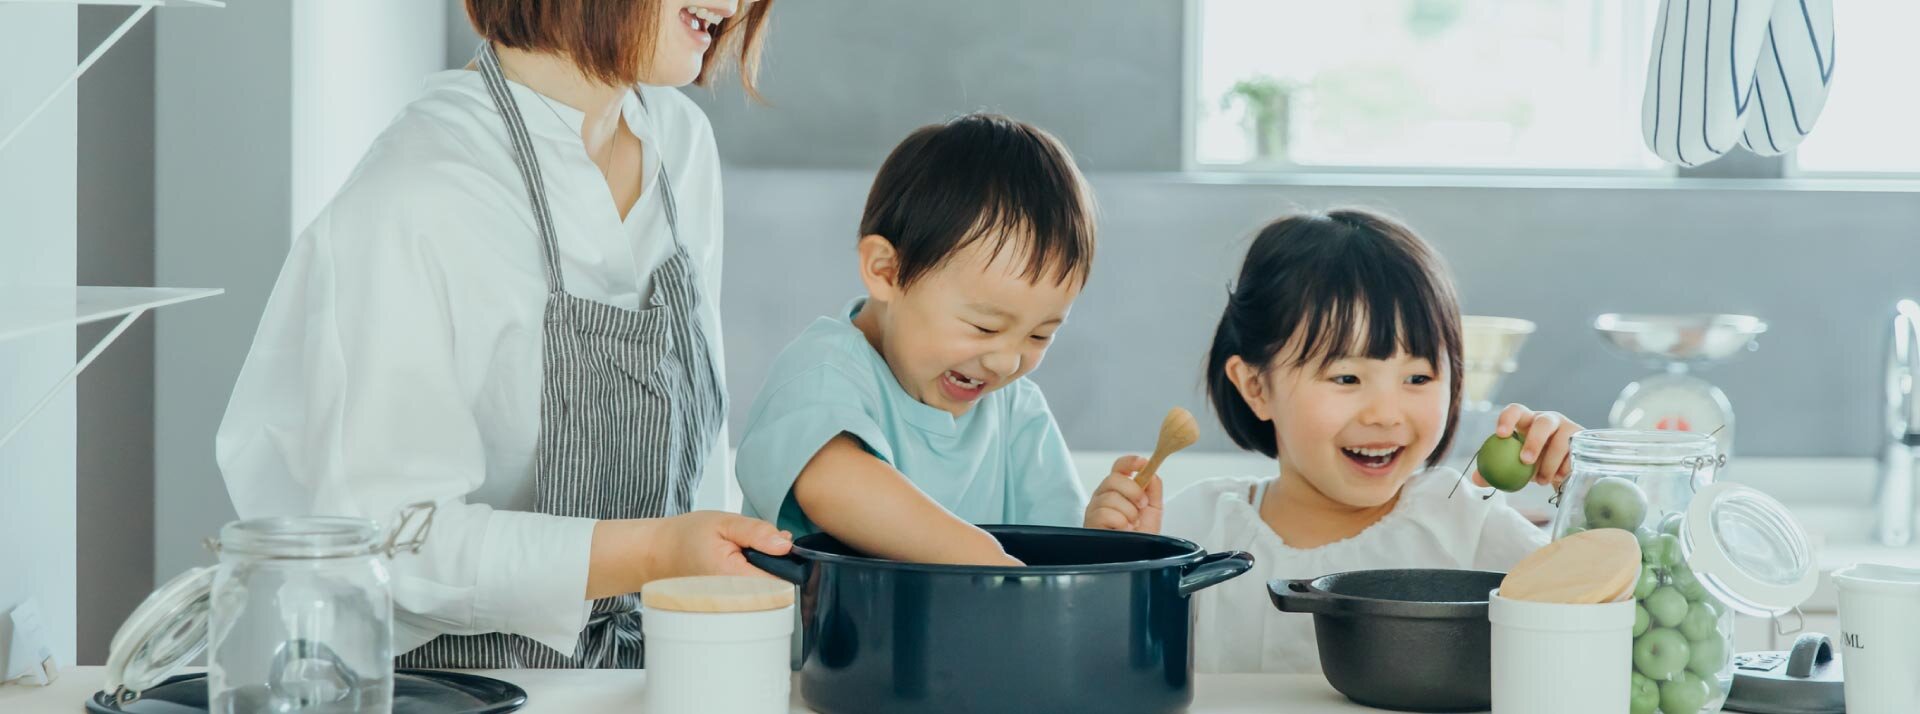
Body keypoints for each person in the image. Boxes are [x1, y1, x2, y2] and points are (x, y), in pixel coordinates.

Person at [216, 0, 785, 668]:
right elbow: (392, 542)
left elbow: (701, 467)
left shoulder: (682, 147)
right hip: (467, 690)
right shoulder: (416, 195)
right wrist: (659, 554)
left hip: (649, 676)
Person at [1096, 209, 1581, 673]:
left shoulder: (1466, 525)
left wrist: (1583, 486)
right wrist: (1109, 570)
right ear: (1256, 388)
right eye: (1347, 378)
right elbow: (1108, 669)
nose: (1386, 415)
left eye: (1417, 377)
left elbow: (1603, 614)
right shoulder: (1195, 527)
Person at [733, 114, 1150, 566]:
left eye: (1039, 334)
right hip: (832, 638)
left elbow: (1048, 558)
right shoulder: (823, 374)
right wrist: (984, 560)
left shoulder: (1017, 412)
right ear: (886, 271)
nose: (1006, 362)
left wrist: (1097, 538)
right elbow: (832, 486)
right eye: (985, 327)